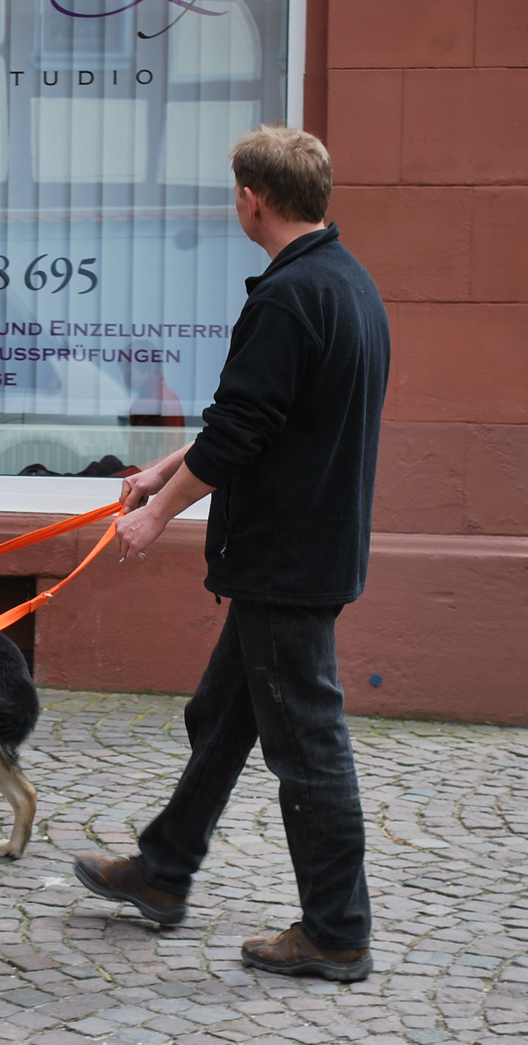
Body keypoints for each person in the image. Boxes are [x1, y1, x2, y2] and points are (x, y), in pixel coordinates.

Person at [73, 125, 390, 983]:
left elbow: (244, 430)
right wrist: (164, 471)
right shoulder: (345, 283)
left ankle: (335, 930)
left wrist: (154, 516)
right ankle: (164, 871)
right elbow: (252, 418)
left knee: (309, 748)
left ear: (252, 198)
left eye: (235, 192)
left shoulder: (289, 298)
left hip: (283, 563)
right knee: (221, 718)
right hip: (300, 556)